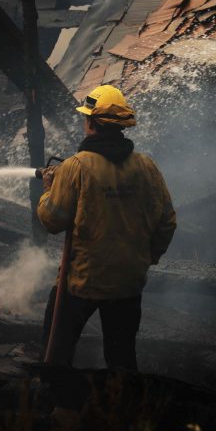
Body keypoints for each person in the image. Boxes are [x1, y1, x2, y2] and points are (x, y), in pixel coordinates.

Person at [38, 84, 176, 371]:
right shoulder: (146, 167)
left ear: (92, 123)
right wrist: (146, 258)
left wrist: (48, 190)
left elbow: (52, 221)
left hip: (82, 282)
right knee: (122, 356)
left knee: (56, 350)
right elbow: (167, 222)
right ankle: (120, 406)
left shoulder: (76, 167)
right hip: (128, 281)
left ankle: (59, 401)